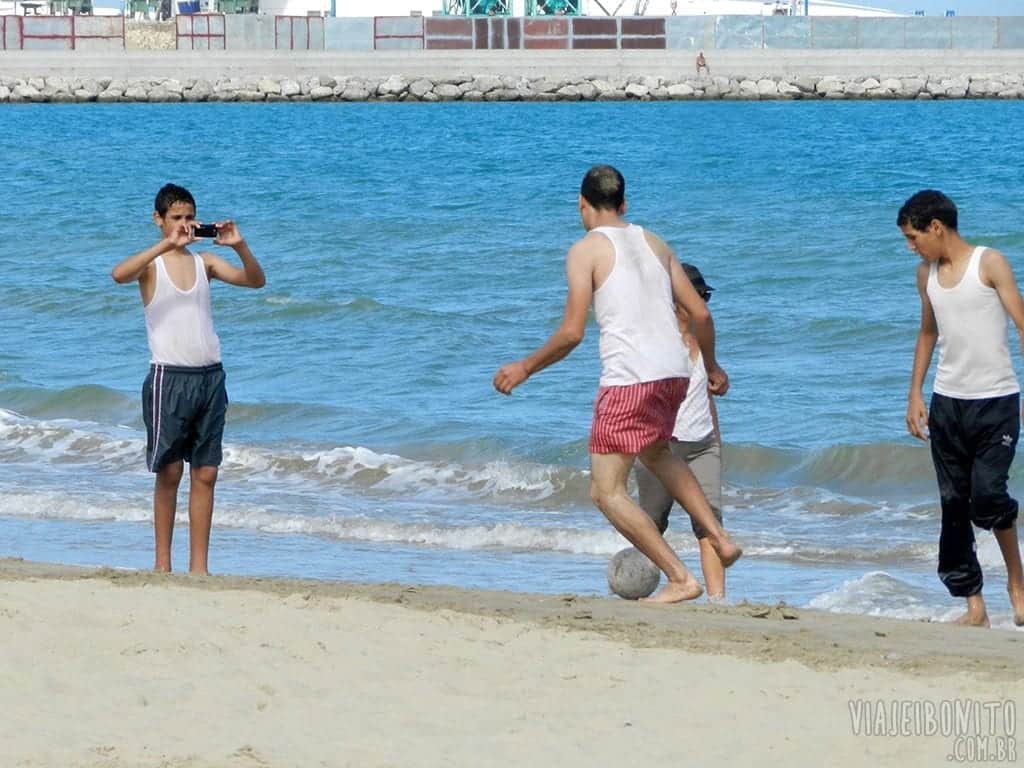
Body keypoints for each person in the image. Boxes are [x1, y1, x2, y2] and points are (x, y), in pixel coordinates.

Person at [493, 165, 741, 604]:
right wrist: (713, 364)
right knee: (657, 450)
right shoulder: (654, 241)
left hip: (630, 379)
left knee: (606, 491)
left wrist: (525, 367)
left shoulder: (585, 251)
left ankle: (680, 578)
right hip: (675, 374)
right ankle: (719, 537)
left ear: (581, 203)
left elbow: (572, 332)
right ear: (624, 204)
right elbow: (700, 316)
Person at [111, 183, 266, 574]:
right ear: (159, 220)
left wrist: (239, 245)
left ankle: (200, 569)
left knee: (207, 472)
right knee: (169, 471)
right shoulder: (152, 264)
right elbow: (118, 275)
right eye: (176, 218)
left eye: (189, 218)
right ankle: (162, 565)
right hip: (168, 378)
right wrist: (166, 244)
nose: (184, 225)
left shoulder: (206, 263)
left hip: (210, 378)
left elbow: (255, 281)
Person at [900, 189, 1024, 628]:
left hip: (997, 401)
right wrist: (915, 393)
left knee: (988, 496)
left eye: (914, 237)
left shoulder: (989, 263)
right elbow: (928, 332)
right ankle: (975, 607)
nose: (911, 246)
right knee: (954, 506)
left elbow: (1022, 324)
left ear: (937, 227)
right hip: (948, 403)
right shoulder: (925, 275)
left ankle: (1016, 581)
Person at [634, 262, 727, 600]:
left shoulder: (704, 340)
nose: (703, 304)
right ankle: (643, 587)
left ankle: (718, 602)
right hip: (661, 449)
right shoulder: (653, 342)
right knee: (651, 525)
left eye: (705, 297)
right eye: (697, 297)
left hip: (702, 444)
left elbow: (705, 391)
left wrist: (716, 439)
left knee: (710, 524)